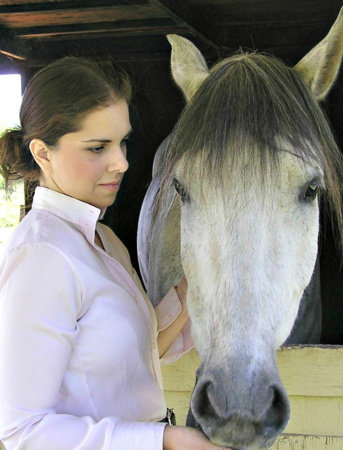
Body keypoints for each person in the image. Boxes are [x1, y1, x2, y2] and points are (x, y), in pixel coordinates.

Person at [0, 58, 228, 449]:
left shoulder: (104, 240)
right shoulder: (43, 256)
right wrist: (165, 439)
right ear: (43, 153)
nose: (121, 162)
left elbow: (136, 354)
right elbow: (21, 431)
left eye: (122, 142)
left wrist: (198, 285)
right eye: (97, 147)